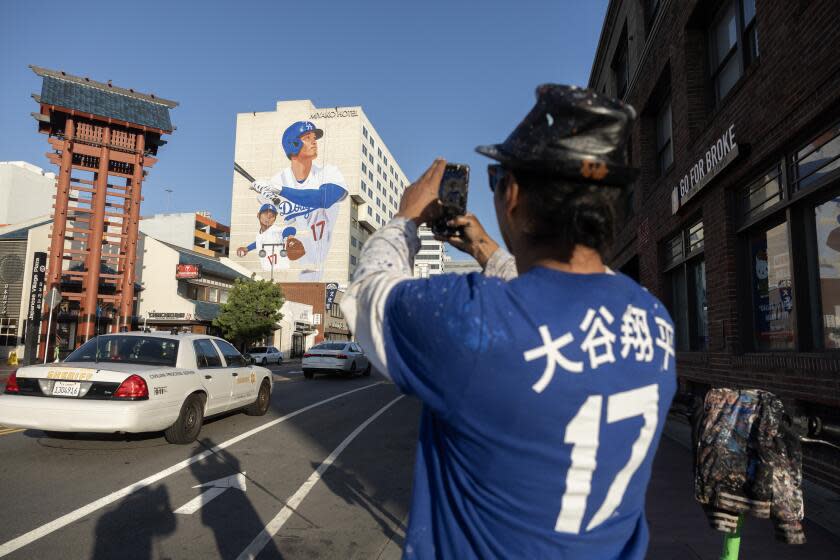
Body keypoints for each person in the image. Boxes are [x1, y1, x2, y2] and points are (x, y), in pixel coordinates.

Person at [341, 85, 676, 559]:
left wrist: (407, 218)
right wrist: (483, 248)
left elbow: (365, 293)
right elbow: (544, 301)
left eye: (498, 176)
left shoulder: (473, 322)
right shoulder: (652, 318)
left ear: (513, 193)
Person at [247, 121, 348, 280]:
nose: (314, 141)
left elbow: (324, 198)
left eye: (314, 137)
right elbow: (279, 224)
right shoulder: (276, 180)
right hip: (289, 270)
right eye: (307, 138)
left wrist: (280, 190)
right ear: (292, 144)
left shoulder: (330, 172)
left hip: (323, 266)